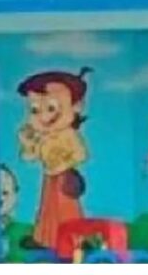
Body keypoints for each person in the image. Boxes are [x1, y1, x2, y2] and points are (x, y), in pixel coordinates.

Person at [17, 68, 90, 249]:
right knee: (47, 209)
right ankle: (45, 239)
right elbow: (30, 156)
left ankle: (77, 240)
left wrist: (63, 164)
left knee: (66, 208)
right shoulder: (44, 138)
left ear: (76, 106)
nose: (43, 117)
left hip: (65, 177)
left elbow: (81, 154)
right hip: (50, 176)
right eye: (35, 110)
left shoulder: (68, 135)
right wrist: (26, 141)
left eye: (51, 108)